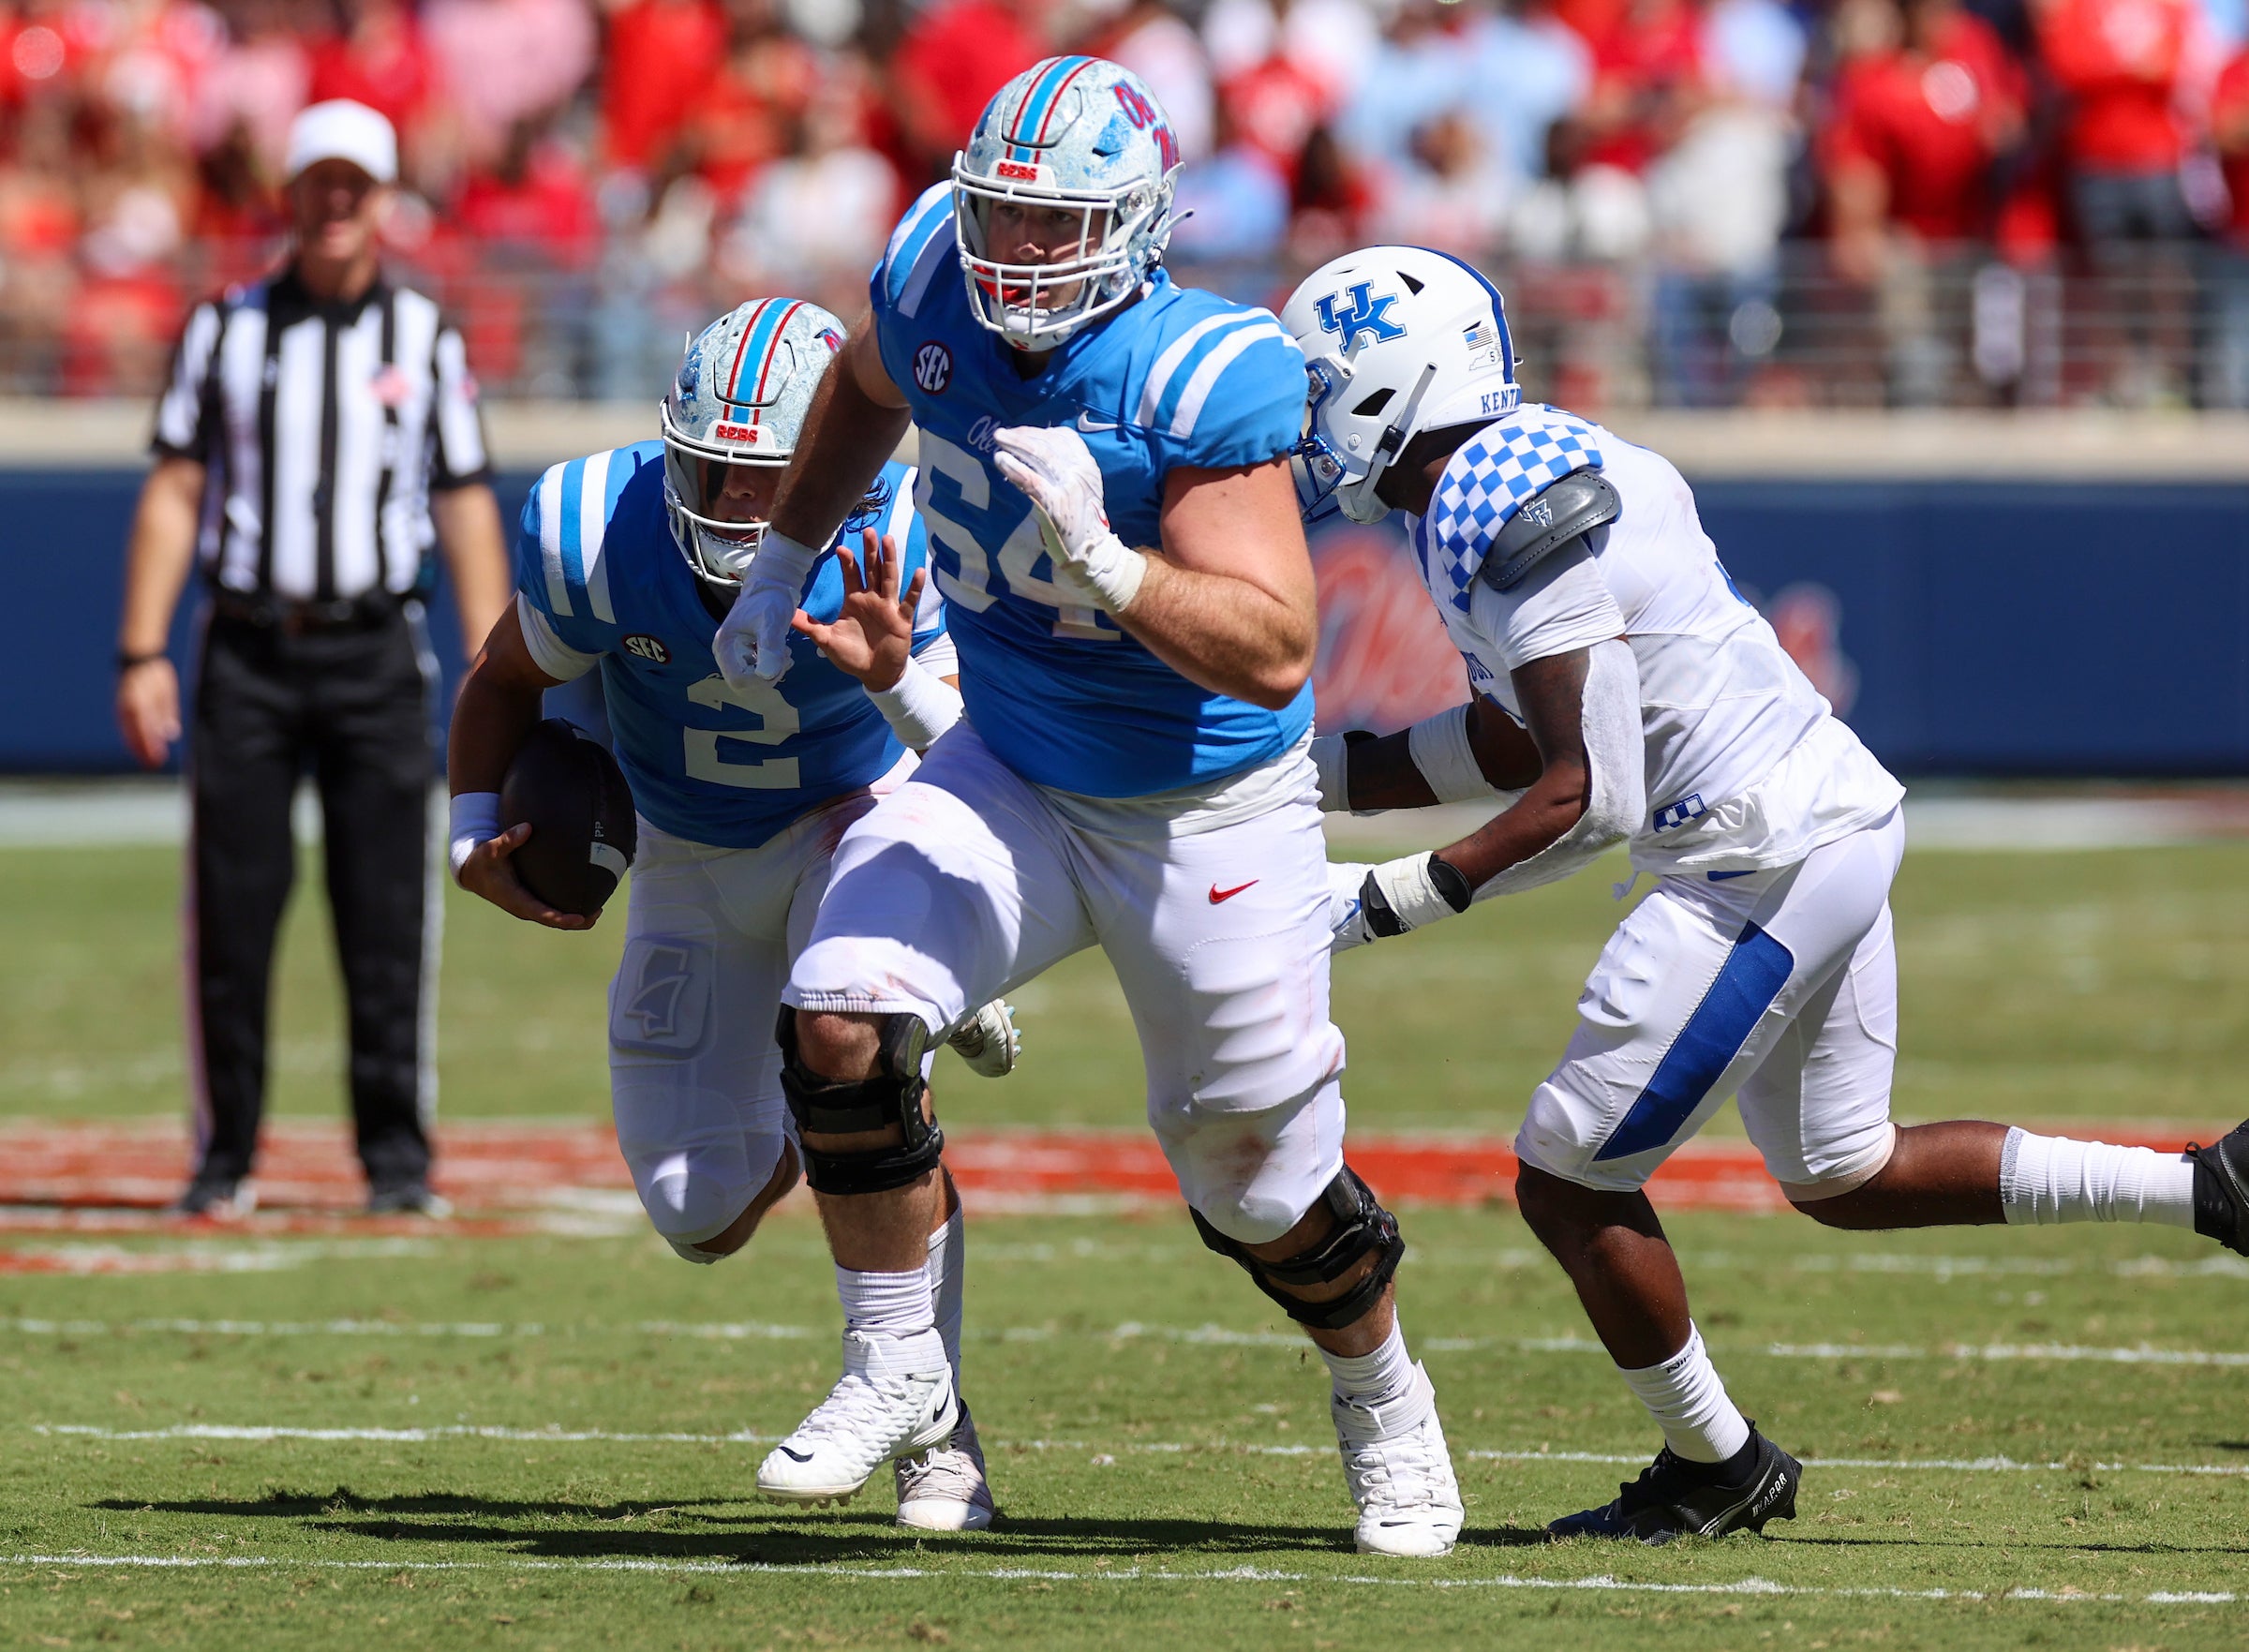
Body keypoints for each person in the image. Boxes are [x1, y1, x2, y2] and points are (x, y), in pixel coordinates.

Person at [1283, 243, 2249, 1543]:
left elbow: (1587, 793)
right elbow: (1519, 737)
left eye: (1321, 385)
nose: (1303, 418)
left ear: (1395, 385)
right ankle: (2214, 1187)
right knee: (1845, 1167)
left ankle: (1717, 1461)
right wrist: (1318, 772)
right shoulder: (1516, 467)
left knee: (1567, 1179)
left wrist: (1381, 901)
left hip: (1758, 851)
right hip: (1817, 814)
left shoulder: (1495, 512)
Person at [712, 56, 1467, 1558]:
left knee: (1257, 1181)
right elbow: (867, 382)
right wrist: (789, 554)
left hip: (1207, 809)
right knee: (840, 1006)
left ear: (1135, 229)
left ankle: (1383, 1394)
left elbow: (1273, 645)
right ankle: (892, 1363)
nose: (1015, 252)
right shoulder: (933, 274)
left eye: (1055, 226)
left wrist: (1108, 561)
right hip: (1012, 762)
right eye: (998, 214)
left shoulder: (1202, 369)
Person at [448, 297, 1020, 1531]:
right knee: (695, 1208)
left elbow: (986, 754)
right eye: (711, 467)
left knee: (865, 1087)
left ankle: (938, 1422)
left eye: (769, 477)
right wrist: (466, 833)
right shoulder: (597, 524)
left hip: (856, 818)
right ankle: (844, 1111)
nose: (736, 503)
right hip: (687, 851)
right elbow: (503, 675)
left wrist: (898, 682)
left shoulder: (907, 528)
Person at [115, 99, 510, 1218]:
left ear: (384, 199)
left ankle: (395, 1160)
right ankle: (224, 1152)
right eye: (318, 183)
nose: (337, 203)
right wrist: (139, 646)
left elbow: (465, 500)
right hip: (247, 648)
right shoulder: (224, 328)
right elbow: (177, 488)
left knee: (388, 913)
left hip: (377, 651)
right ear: (289, 194)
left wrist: (494, 663)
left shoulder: (424, 336)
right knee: (233, 915)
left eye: (357, 184)